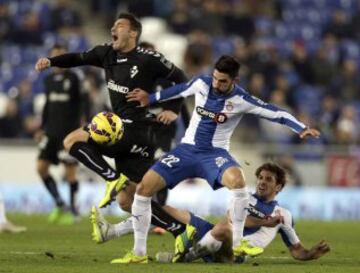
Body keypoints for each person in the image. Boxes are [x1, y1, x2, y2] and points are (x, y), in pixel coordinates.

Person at [116, 55, 320, 263]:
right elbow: (179, 90)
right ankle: (138, 254)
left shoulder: (241, 100)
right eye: (215, 78)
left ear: (235, 81)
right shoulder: (202, 83)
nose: (216, 84)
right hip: (186, 150)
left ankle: (239, 244)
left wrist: (301, 128)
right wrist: (150, 98)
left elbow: (274, 112)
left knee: (238, 181)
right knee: (143, 189)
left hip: (215, 155)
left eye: (222, 81)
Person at [34, 13, 188, 240]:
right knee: (129, 201)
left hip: (137, 128)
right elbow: (78, 58)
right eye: (113, 25)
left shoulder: (149, 58)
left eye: (119, 25)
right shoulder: (106, 53)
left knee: (72, 140)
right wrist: (52, 61)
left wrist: (172, 108)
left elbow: (182, 78)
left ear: (133, 32)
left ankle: (112, 178)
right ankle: (182, 230)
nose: (113, 28)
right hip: (129, 133)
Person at [156, 163, 331, 263]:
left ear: (278, 187)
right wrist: (264, 222)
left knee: (224, 228)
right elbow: (234, 218)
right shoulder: (243, 196)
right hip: (219, 234)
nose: (262, 182)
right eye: (260, 178)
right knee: (169, 210)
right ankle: (139, 219)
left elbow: (296, 250)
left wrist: (310, 254)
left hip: (235, 251)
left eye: (268, 179)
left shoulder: (284, 215)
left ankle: (184, 257)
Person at [35, 44, 83, 224]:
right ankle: (59, 203)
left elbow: (82, 103)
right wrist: (41, 127)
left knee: (70, 172)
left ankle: (74, 211)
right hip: (50, 132)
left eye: (60, 56)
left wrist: (81, 127)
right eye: (54, 56)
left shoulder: (75, 78)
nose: (57, 60)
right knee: (41, 168)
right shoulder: (47, 80)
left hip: (68, 133)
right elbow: (47, 105)